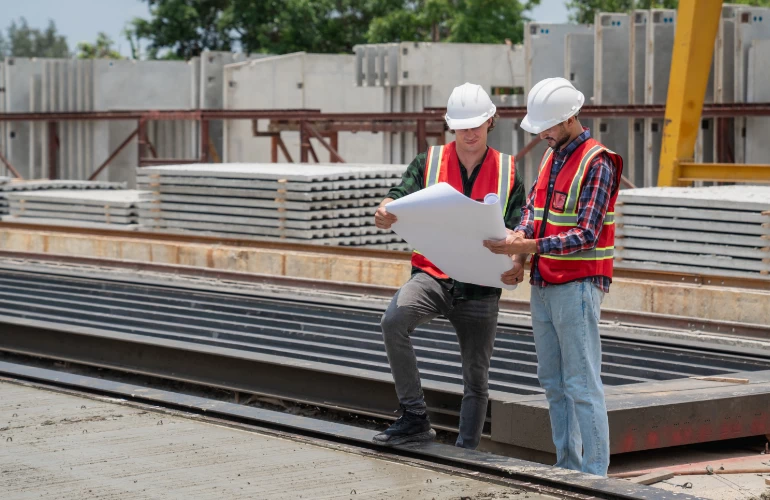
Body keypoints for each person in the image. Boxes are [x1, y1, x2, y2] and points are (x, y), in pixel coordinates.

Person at [371, 82, 526, 449]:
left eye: (475, 124)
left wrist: (519, 261)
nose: (468, 133)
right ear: (451, 126)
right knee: (394, 321)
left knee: (476, 376)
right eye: (461, 126)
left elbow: (523, 225)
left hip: (482, 285)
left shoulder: (508, 170)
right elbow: (398, 194)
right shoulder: (429, 161)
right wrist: (385, 208)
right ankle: (414, 417)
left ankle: (466, 450)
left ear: (490, 121)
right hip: (432, 275)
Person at [483, 77, 623, 476]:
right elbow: (534, 207)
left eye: (547, 127)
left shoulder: (597, 161)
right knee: (553, 383)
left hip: (577, 285)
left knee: (582, 384)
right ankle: (568, 468)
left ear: (570, 118)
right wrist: (520, 236)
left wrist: (525, 249)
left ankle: (595, 477)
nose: (542, 134)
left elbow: (586, 234)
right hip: (545, 283)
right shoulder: (553, 155)